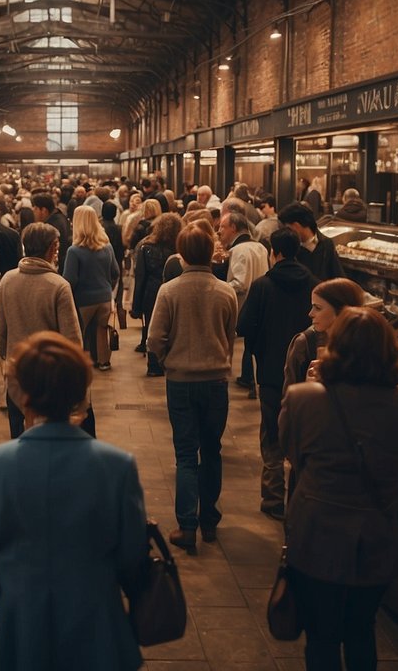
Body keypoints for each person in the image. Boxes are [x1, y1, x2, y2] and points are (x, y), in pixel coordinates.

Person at [0, 332, 148, 671]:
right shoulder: (117, 467)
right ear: (80, 392)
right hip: (96, 623)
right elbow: (131, 552)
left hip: (20, 625)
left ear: (22, 393)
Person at [281, 307, 398, 671]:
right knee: (362, 628)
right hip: (378, 535)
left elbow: (293, 454)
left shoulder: (303, 398)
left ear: (335, 346)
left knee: (321, 634)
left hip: (316, 532)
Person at [148, 225, 238, 555]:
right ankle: (209, 521)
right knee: (211, 449)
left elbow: (154, 339)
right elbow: (230, 337)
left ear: (182, 253)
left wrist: (170, 360)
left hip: (181, 381)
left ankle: (187, 526)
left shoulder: (170, 291)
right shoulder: (225, 291)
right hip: (216, 381)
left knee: (186, 455)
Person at [235, 228, 318, 521]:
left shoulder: (262, 286)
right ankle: (300, 497)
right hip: (308, 373)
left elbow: (244, 326)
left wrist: (258, 346)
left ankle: (272, 498)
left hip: (271, 372)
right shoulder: (313, 284)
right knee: (305, 434)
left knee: (271, 433)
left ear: (275, 253)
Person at [0, 223, 84, 439]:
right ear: (52, 248)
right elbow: (72, 341)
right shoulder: (58, 285)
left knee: (19, 439)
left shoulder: (7, 280)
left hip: (17, 376)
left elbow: (0, 332)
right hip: (51, 380)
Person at [63, 205, 119, 374]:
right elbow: (115, 272)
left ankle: (77, 364)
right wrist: (108, 287)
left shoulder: (74, 251)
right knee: (102, 330)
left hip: (83, 299)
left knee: (78, 333)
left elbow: (70, 279)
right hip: (103, 297)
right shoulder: (107, 246)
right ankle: (104, 362)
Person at [218, 211, 269, 398]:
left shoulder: (238, 250)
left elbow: (240, 283)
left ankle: (249, 378)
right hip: (261, 301)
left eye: (223, 226)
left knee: (248, 340)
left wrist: (219, 287)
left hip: (244, 303)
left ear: (233, 228)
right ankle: (248, 376)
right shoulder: (261, 247)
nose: (219, 230)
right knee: (252, 342)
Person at [284, 278, 367, 389]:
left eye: (318, 308)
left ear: (342, 310)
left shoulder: (366, 342)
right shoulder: (305, 343)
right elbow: (289, 400)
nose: (310, 313)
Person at [131, 212, 180, 375]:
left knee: (153, 329)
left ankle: (154, 366)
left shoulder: (146, 248)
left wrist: (136, 306)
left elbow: (140, 278)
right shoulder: (179, 249)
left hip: (151, 293)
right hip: (174, 291)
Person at [279, 202, 345, 282]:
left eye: (288, 228)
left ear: (296, 226)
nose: (286, 232)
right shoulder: (289, 247)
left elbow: (338, 276)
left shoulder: (326, 244)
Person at [102, 200, 127, 326]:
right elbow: (122, 247)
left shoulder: (99, 227)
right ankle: (121, 319)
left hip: (102, 263)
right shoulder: (118, 229)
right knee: (119, 288)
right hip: (116, 260)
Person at [32, 192, 72, 271]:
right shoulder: (60, 217)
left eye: (35, 208)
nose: (33, 211)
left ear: (43, 210)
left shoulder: (50, 227)